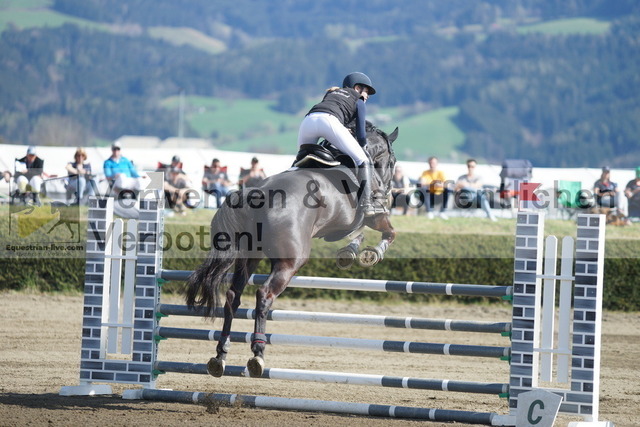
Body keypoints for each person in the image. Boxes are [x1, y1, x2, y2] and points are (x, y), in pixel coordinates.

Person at [297, 72, 378, 216]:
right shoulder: (358, 99)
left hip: (308, 121)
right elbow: (360, 130)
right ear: (357, 88)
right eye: (365, 91)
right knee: (363, 160)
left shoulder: (331, 93)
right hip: (329, 121)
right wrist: (363, 145)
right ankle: (367, 203)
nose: (367, 96)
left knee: (300, 160)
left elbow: (334, 110)